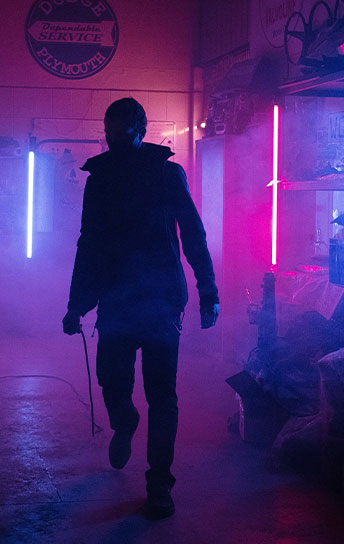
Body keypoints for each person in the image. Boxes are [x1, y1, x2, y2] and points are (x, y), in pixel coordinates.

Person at [62, 97, 220, 520]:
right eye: (110, 132)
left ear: (140, 131)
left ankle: (159, 482)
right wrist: (77, 304)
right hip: (117, 298)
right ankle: (124, 419)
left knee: (161, 395)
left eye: (122, 132)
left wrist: (208, 288)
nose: (115, 139)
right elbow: (89, 243)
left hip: (160, 300)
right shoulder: (100, 180)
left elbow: (193, 232)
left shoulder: (167, 175)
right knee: (112, 381)